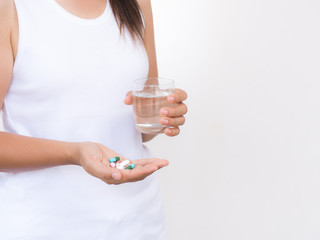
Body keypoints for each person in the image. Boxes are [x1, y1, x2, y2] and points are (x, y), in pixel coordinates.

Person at [0, 0, 188, 239]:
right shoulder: (11, 8)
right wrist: (74, 153)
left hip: (138, 222)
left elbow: (141, 125)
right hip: (43, 224)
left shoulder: (137, 3)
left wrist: (163, 114)